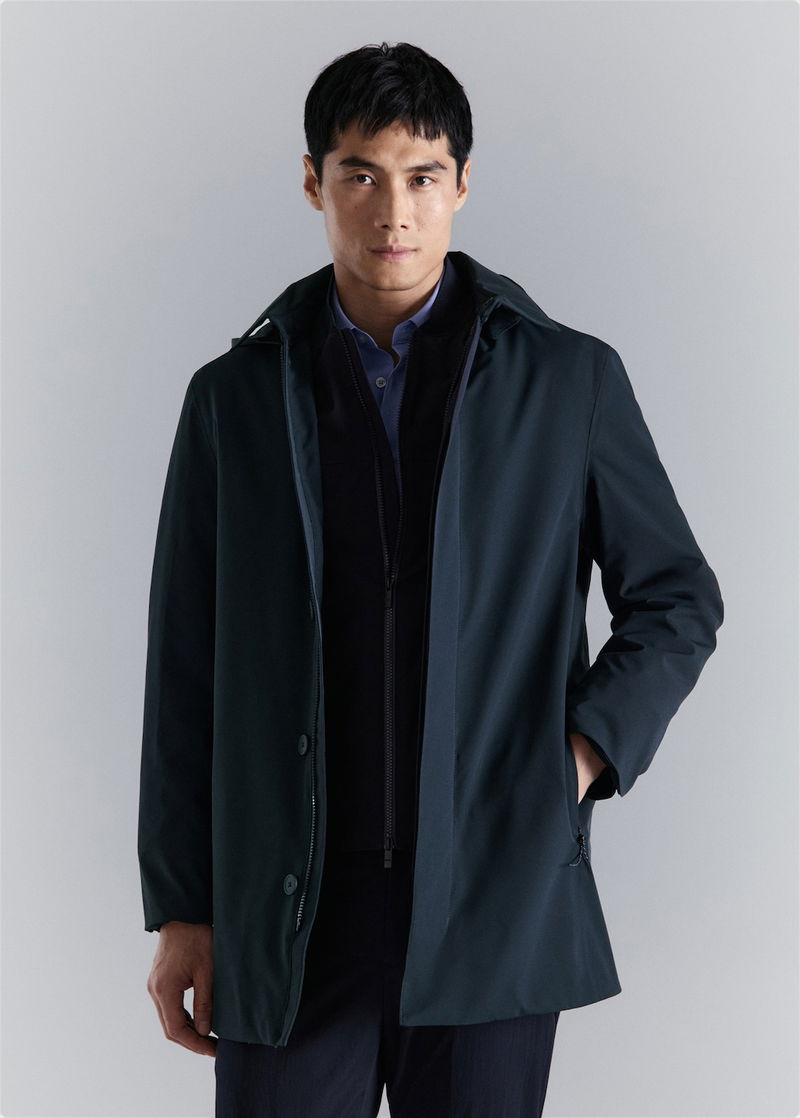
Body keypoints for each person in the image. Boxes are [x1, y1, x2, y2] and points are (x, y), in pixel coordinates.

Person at [138, 41, 724, 1117]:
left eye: (421, 176)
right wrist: (183, 905)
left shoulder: (567, 380)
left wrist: (581, 753)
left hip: (492, 896)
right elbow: (186, 662)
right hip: (289, 910)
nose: (393, 211)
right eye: (360, 174)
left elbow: (677, 597)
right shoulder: (233, 398)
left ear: (461, 183)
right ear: (313, 182)